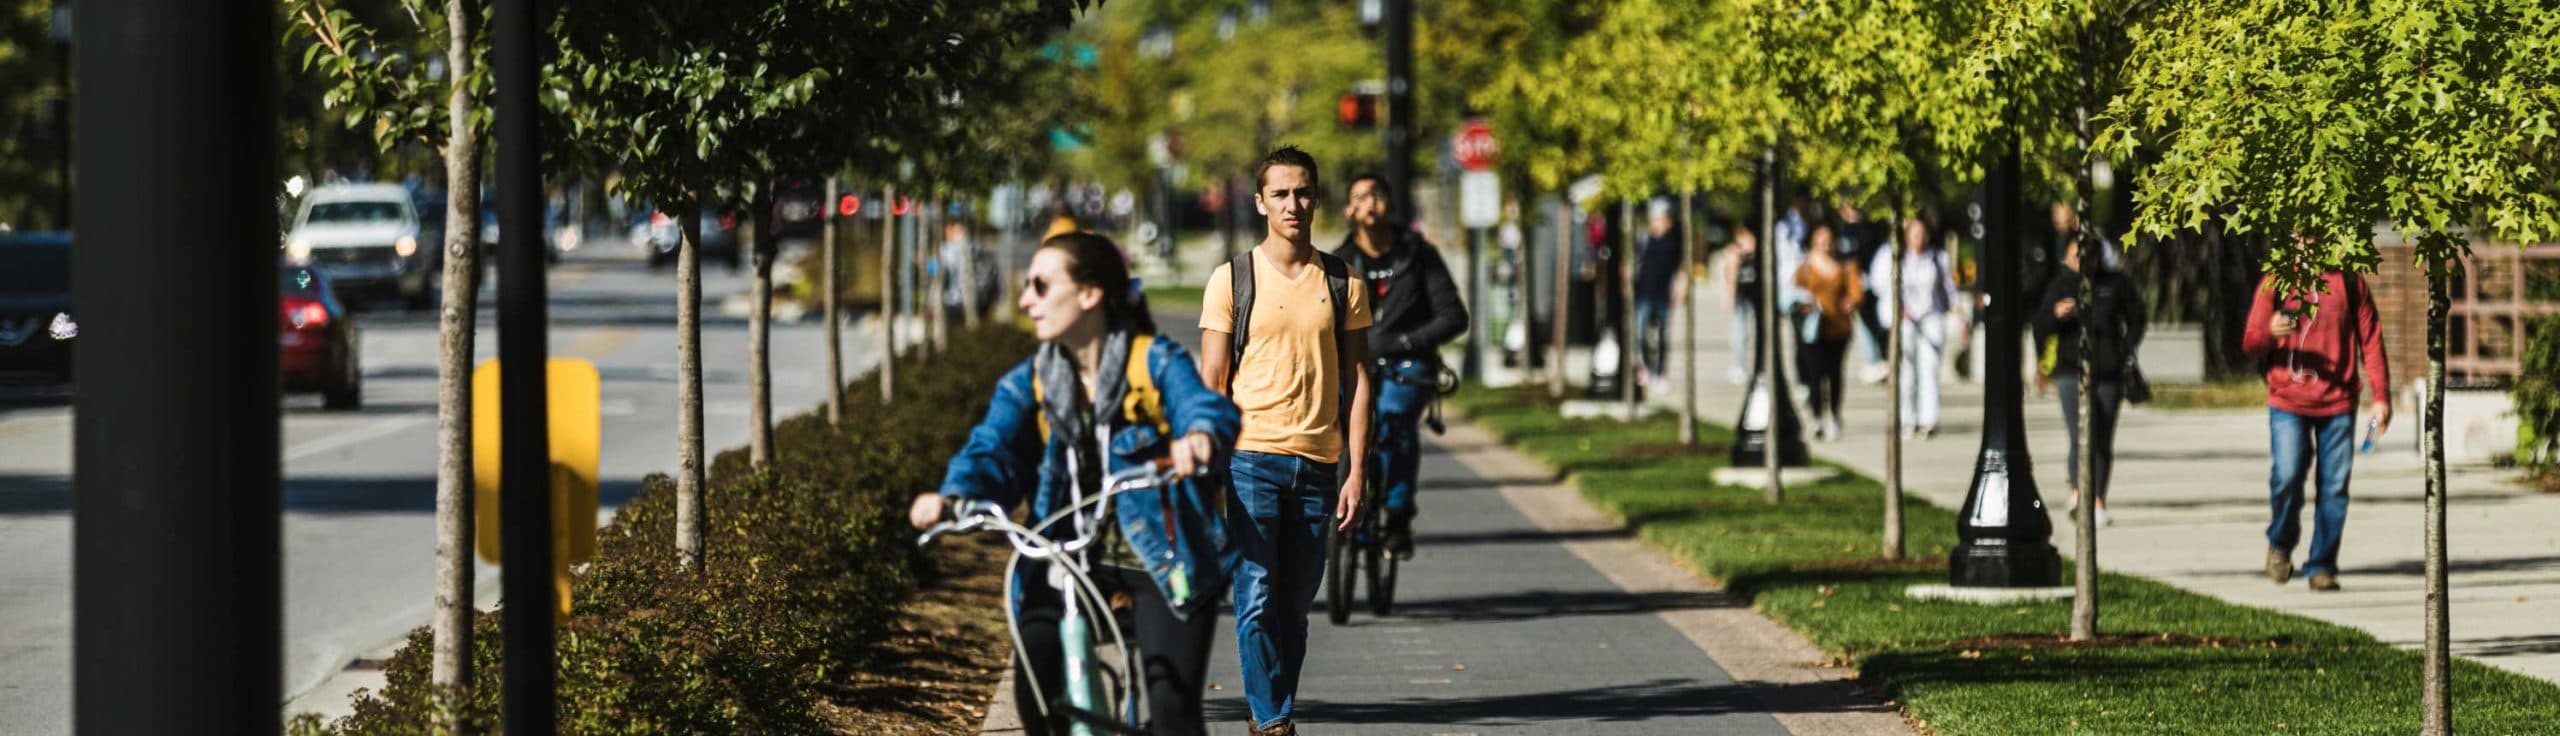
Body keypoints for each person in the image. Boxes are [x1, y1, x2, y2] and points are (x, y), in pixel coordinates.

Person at [909, 232, 1242, 735]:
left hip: (1160, 557)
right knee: (1038, 693)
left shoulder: (1152, 362)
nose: (1025, 300)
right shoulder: (1032, 380)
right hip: (1065, 555)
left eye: (1040, 286)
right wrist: (954, 497)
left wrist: (1198, 438)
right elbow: (991, 449)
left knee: (1174, 712)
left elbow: (1203, 406)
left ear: (1089, 295)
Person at [1198, 146, 1374, 736]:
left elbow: (1358, 382)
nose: (1293, 204)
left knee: (1295, 607)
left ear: (1316, 199)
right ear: (1259, 202)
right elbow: (1212, 383)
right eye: (1280, 194)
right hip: (1251, 458)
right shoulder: (1232, 279)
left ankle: (1270, 710)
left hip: (1319, 463)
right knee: (1255, 594)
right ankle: (1272, 720)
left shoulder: (1343, 280)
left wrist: (1356, 471)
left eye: (1302, 193)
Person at [2242, 237, 2389, 592]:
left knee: (2334, 487)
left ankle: (2321, 564)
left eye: (2318, 231)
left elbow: (2370, 339)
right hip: (2287, 400)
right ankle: (2281, 541)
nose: (2310, 240)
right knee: (2288, 475)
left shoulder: (2349, 281)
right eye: (2302, 232)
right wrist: (2270, 332)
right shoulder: (2276, 280)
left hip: (2338, 402)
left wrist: (2381, 396)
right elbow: (2250, 342)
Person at [1332, 172, 1465, 559]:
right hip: (1355, 362)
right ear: (1348, 209)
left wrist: (1407, 341)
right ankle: (1343, 504)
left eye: (1377, 195)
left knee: (1394, 415)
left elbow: (1453, 315)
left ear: (1389, 205)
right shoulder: (1339, 263)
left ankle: (1398, 512)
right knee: (1337, 423)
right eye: (1359, 197)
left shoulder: (1418, 256)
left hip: (1408, 360)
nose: (1368, 203)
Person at [2033, 235, 2145, 527]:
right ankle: (2077, 490)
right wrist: (2056, 315)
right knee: (2078, 433)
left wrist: (2125, 347)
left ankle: (2098, 500)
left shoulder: (2115, 284)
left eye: (2084, 256)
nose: (2078, 263)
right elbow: (2040, 324)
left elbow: (2137, 317)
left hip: (2108, 371)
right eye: (2073, 256)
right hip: (2072, 371)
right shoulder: (2061, 285)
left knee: (2103, 437)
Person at [1875, 215, 1955, 439]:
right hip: (1906, 319)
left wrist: (1957, 314)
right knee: (1906, 370)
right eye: (1914, 234)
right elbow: (1881, 284)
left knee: (1929, 368)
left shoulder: (1937, 258)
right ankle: (1906, 419)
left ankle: (1928, 419)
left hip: (1931, 318)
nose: (1919, 239)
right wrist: (1900, 310)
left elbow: (1948, 289)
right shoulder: (1896, 258)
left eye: (1922, 234)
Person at [1790, 222, 1863, 441]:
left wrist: (1850, 302)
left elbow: (1856, 292)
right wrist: (1803, 305)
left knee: (1834, 374)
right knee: (1814, 374)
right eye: (1821, 242)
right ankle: (1817, 416)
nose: (1826, 246)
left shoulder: (1846, 266)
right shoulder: (1804, 268)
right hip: (1813, 329)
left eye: (1829, 241)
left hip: (1838, 328)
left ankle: (1834, 415)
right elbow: (1794, 292)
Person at [1631, 197, 1684, 389]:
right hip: (1644, 292)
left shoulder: (1675, 239)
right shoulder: (1644, 239)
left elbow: (1681, 267)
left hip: (1664, 292)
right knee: (1640, 332)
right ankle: (1645, 367)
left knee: (1662, 333)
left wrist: (1680, 288)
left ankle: (1661, 372)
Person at [1722, 226, 1762, 384]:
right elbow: (1730, 277)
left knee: (1755, 333)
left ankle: (1758, 368)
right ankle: (1737, 366)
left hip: (1755, 298)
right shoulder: (1734, 253)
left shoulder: (1759, 253)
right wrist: (1729, 298)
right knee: (1740, 333)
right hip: (1741, 299)